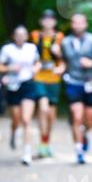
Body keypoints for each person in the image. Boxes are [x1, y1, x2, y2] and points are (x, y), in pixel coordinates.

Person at [61, 13, 92, 164]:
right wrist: (60, 69)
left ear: (86, 24)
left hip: (91, 83)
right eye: (74, 22)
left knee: (88, 121)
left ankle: (84, 134)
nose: (77, 25)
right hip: (73, 82)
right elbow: (63, 62)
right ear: (71, 25)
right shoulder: (65, 42)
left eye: (80, 22)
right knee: (77, 116)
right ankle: (79, 150)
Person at [0, 26, 41, 166]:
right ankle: (14, 131)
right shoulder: (7, 49)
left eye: (23, 35)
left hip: (28, 84)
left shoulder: (32, 48)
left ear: (27, 36)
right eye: (18, 35)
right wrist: (10, 68)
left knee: (26, 119)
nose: (20, 37)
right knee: (16, 118)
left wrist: (36, 68)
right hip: (13, 85)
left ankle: (27, 153)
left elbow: (37, 62)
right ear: (13, 36)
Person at [30, 9, 65, 158]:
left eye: (50, 19)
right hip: (39, 77)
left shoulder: (60, 37)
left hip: (54, 78)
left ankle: (46, 142)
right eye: (45, 19)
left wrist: (59, 58)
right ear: (41, 22)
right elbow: (28, 53)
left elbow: (66, 57)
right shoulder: (35, 36)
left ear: (54, 22)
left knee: (51, 115)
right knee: (43, 109)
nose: (48, 22)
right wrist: (32, 66)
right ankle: (41, 142)